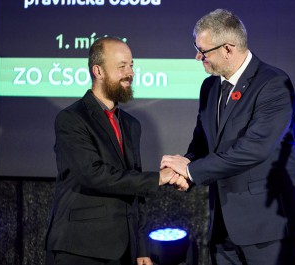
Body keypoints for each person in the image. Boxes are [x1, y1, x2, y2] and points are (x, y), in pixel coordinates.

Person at [161, 9, 295, 265]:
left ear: (228, 49)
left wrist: (192, 171)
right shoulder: (210, 87)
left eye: (204, 51)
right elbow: (202, 143)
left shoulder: (273, 83)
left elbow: (254, 148)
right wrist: (185, 167)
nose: (198, 57)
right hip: (223, 227)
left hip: (268, 229)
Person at [45, 36, 188, 265]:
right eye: (121, 66)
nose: (130, 73)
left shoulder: (131, 125)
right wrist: (157, 178)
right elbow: (93, 174)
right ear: (98, 71)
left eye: (131, 65)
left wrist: (141, 246)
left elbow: (134, 194)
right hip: (80, 249)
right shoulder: (71, 119)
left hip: (124, 251)